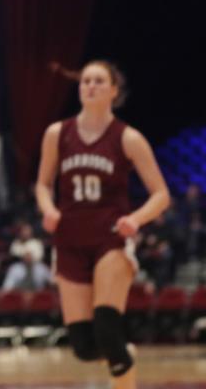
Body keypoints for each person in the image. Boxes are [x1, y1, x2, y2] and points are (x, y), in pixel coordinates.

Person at [36, 60, 170, 389]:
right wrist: (48, 208)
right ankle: (126, 354)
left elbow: (161, 194)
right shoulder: (57, 133)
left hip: (110, 238)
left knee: (107, 329)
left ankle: (123, 371)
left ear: (113, 90)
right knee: (83, 347)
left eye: (98, 81)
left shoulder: (128, 138)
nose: (90, 86)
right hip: (69, 241)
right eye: (85, 81)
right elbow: (42, 184)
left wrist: (135, 219)